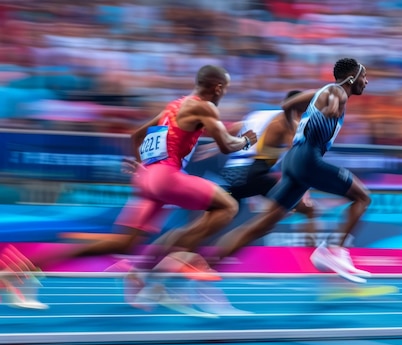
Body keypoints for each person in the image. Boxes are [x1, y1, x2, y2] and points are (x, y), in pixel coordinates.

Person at [18, 65, 258, 308]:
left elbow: (136, 136)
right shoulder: (204, 106)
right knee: (227, 206)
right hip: (166, 178)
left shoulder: (174, 106)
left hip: (149, 179)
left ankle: (25, 269)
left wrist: (141, 165)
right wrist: (247, 140)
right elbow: (227, 145)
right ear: (218, 87)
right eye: (225, 89)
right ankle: (166, 265)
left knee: (122, 243)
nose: (223, 94)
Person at [210, 58, 372, 284]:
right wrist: (330, 110)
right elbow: (334, 102)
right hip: (307, 159)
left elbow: (287, 106)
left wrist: (295, 128)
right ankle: (334, 251)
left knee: (261, 225)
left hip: (293, 159)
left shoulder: (319, 91)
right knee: (363, 197)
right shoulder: (338, 92)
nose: (366, 81)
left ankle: (207, 268)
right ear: (352, 78)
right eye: (364, 77)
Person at [219, 90, 317, 246]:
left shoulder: (264, 114)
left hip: (232, 174)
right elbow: (297, 162)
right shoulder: (291, 123)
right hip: (252, 174)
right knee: (307, 209)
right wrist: (304, 192)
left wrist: (213, 146)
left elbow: (236, 127)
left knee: (218, 216)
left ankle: (190, 250)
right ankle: (310, 257)